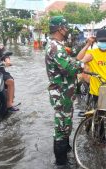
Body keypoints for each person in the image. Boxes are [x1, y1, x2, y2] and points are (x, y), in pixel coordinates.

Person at [45, 16, 83, 166]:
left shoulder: (57, 45)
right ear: (60, 28)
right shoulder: (55, 47)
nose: (67, 30)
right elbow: (69, 69)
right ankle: (61, 163)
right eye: (65, 27)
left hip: (65, 93)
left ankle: (65, 150)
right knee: (61, 126)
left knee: (66, 122)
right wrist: (84, 61)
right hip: (61, 93)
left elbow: (66, 62)